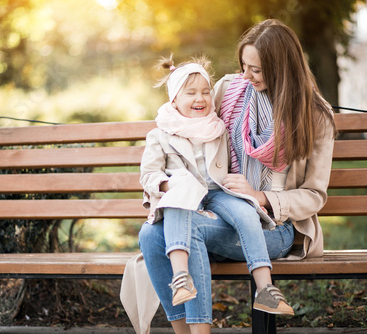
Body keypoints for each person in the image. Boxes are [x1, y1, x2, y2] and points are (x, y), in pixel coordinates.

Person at [128, 18, 336, 334]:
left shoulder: (314, 115)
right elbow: (190, 127)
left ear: (282, 68)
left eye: (257, 70)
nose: (246, 76)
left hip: (273, 227)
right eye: (244, 66)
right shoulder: (230, 89)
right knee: (148, 235)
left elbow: (315, 195)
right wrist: (176, 181)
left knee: (174, 231)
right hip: (219, 212)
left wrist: (260, 196)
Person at [139, 55, 277, 309]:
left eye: (205, 92)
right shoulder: (160, 134)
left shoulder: (217, 128)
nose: (200, 98)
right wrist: (169, 186)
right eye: (190, 93)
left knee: (247, 214)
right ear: (174, 99)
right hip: (182, 195)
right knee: (179, 205)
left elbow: (234, 159)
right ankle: (181, 279)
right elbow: (148, 175)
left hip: (216, 191)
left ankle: (266, 289)